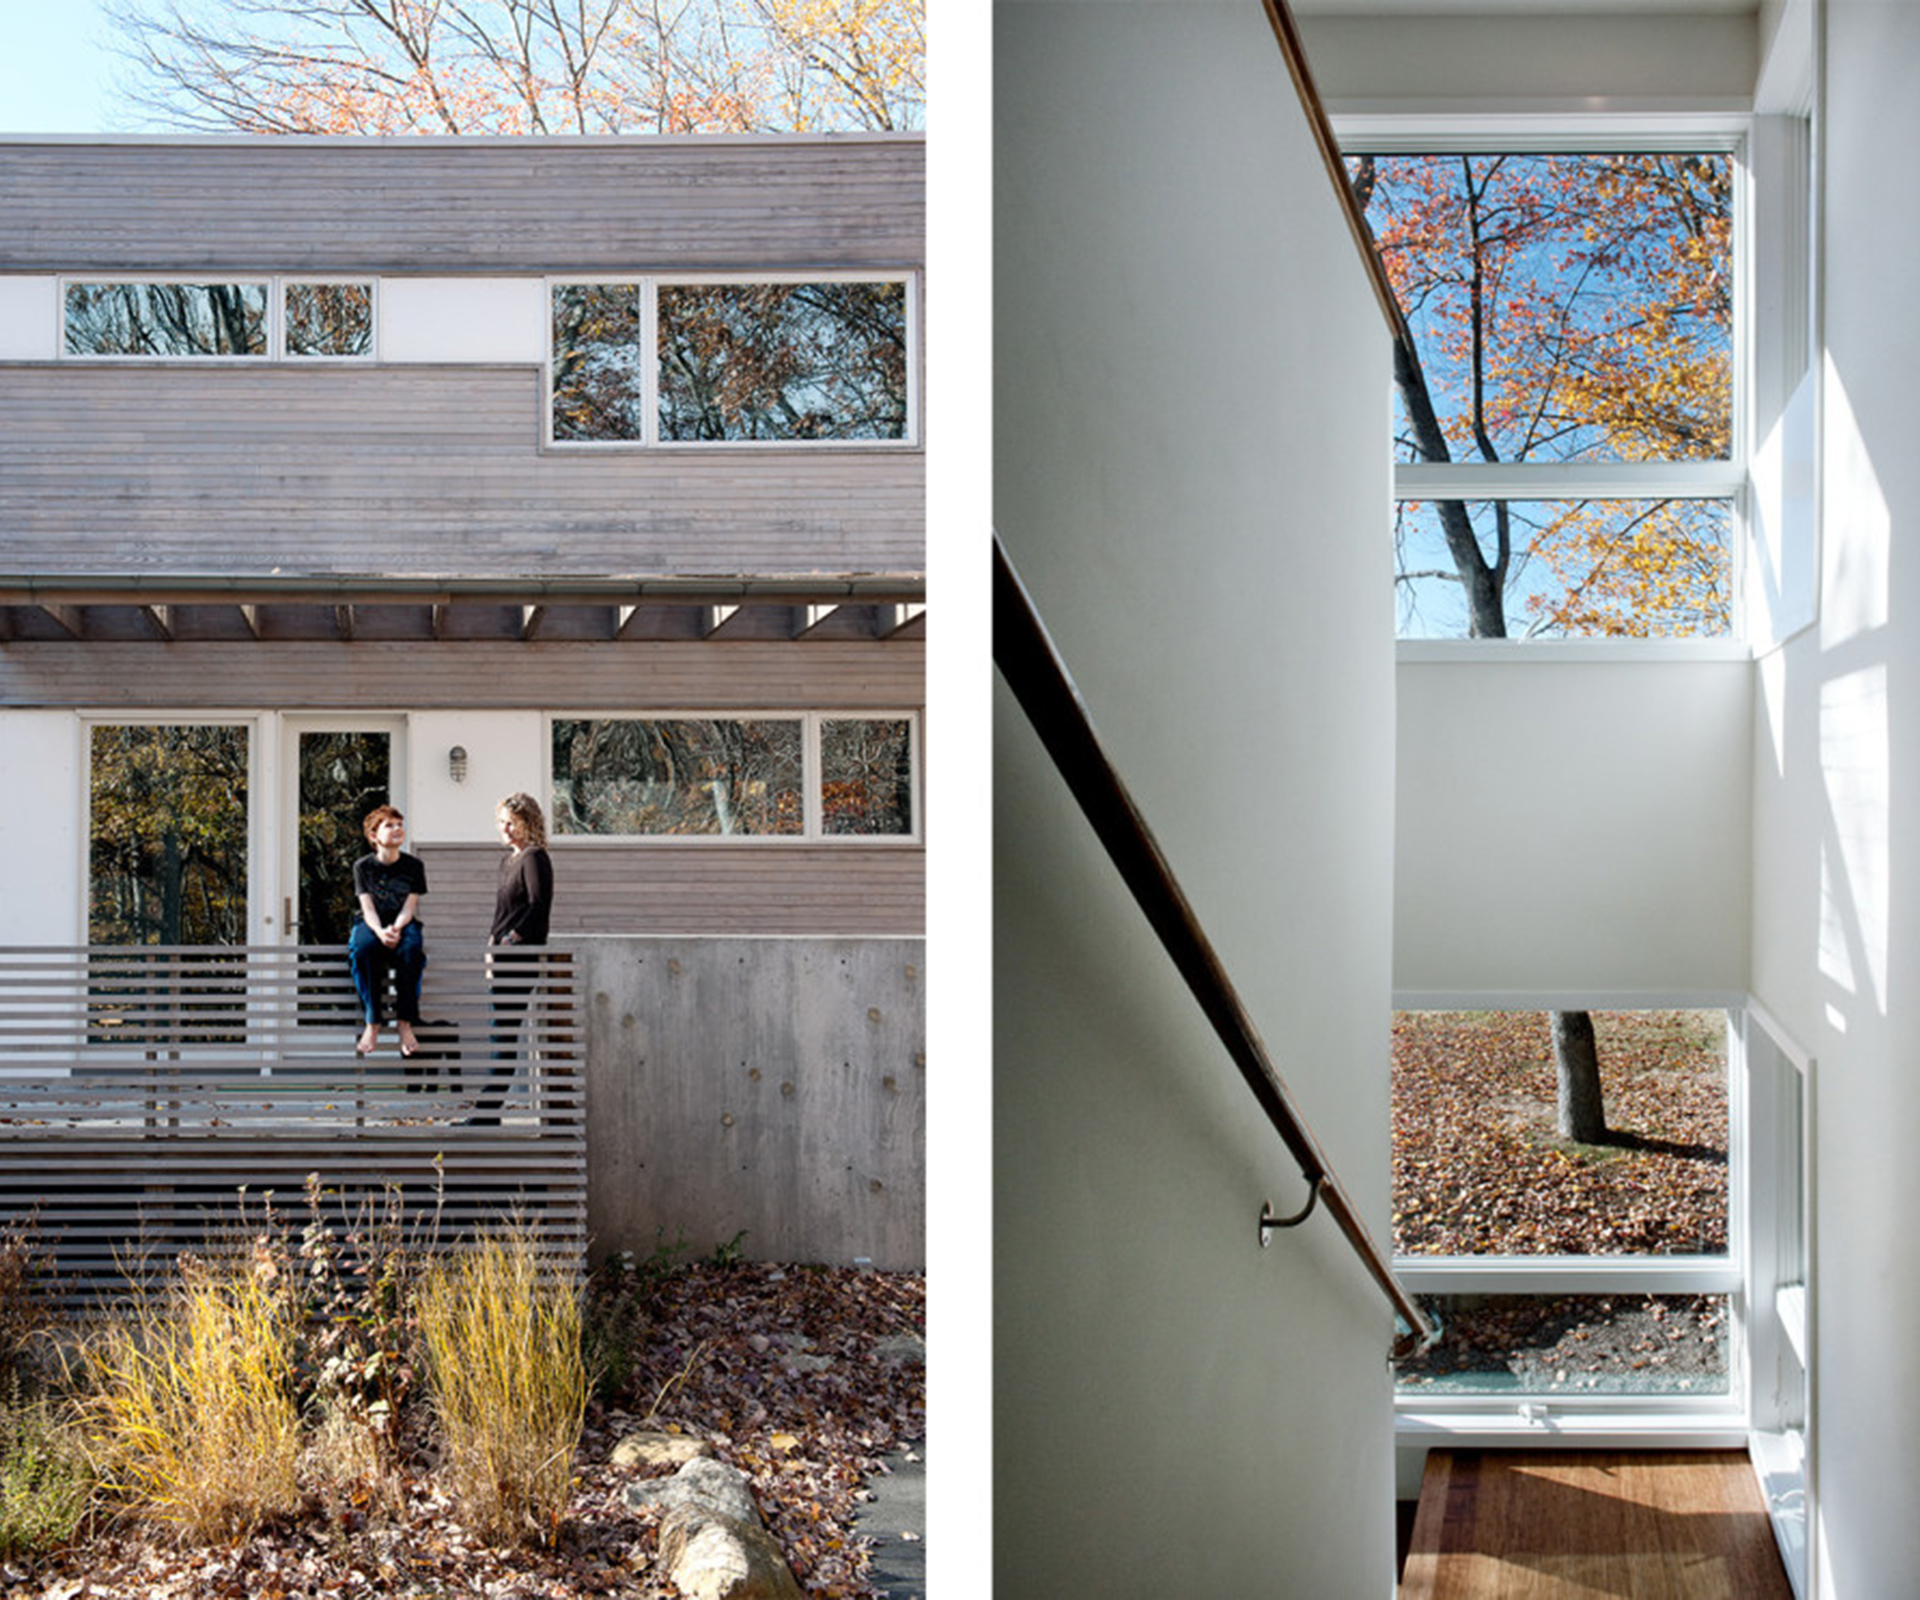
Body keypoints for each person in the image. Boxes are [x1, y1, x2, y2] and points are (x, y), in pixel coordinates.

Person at [470, 792, 554, 1122]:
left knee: (504, 1036)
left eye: (511, 823)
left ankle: (487, 1113)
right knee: (498, 1035)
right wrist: (491, 950)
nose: (504, 829)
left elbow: (539, 907)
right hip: (500, 958)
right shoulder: (508, 861)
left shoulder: (535, 858)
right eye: (501, 822)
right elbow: (501, 912)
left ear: (527, 823)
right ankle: (488, 1113)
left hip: (519, 959)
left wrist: (510, 939)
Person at [347, 804, 428, 1057]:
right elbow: (367, 908)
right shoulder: (363, 867)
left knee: (412, 951)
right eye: (389, 825)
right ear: (374, 836)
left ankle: (405, 1023)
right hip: (371, 923)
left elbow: (410, 906)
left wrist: (396, 928)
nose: (397, 830)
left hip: (402, 922)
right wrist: (381, 933)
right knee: (362, 949)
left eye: (400, 825)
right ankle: (373, 1023)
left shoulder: (414, 866)